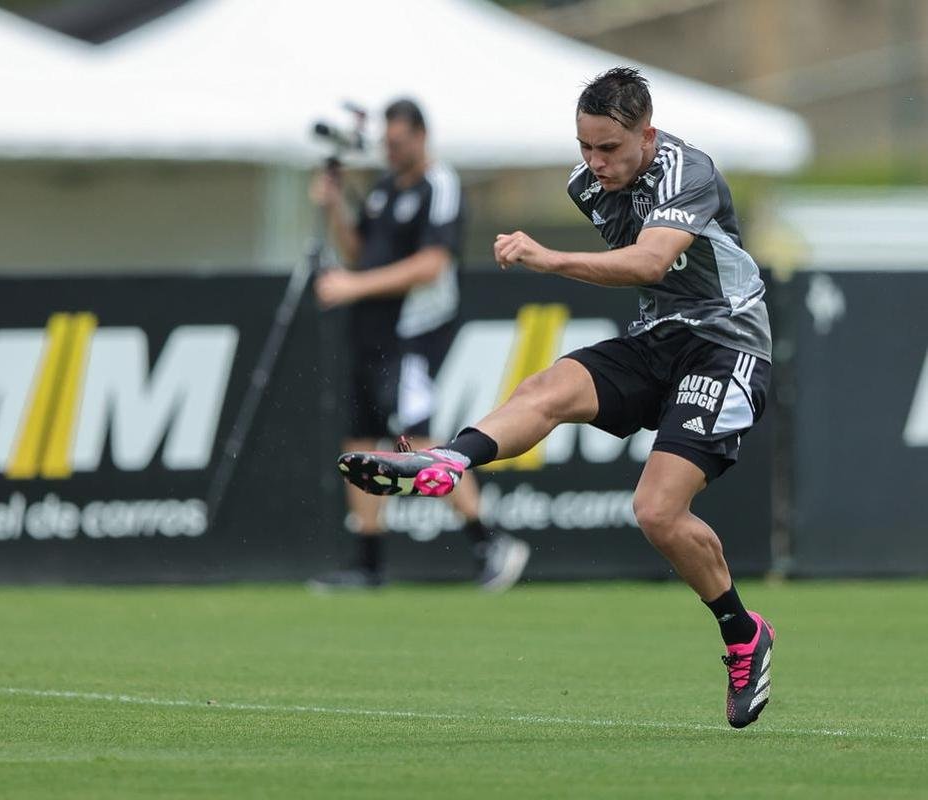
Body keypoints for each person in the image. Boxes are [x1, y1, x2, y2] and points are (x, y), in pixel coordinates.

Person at [336, 69, 775, 729]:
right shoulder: (588, 185)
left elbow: (651, 262)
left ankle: (743, 633)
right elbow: (646, 274)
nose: (594, 164)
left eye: (609, 149)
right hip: (660, 339)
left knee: (657, 512)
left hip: (727, 346)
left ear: (647, 134)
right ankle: (449, 461)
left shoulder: (692, 171)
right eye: (585, 147)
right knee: (548, 387)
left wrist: (546, 258)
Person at [309, 98, 529, 592]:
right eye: (386, 143)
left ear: (421, 137)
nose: (390, 151)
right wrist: (335, 203)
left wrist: (352, 287)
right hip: (370, 334)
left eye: (399, 142)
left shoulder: (440, 185)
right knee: (361, 443)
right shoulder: (385, 188)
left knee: (420, 441)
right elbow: (358, 252)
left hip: (412, 335)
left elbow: (432, 264)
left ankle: (490, 544)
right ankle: (368, 565)